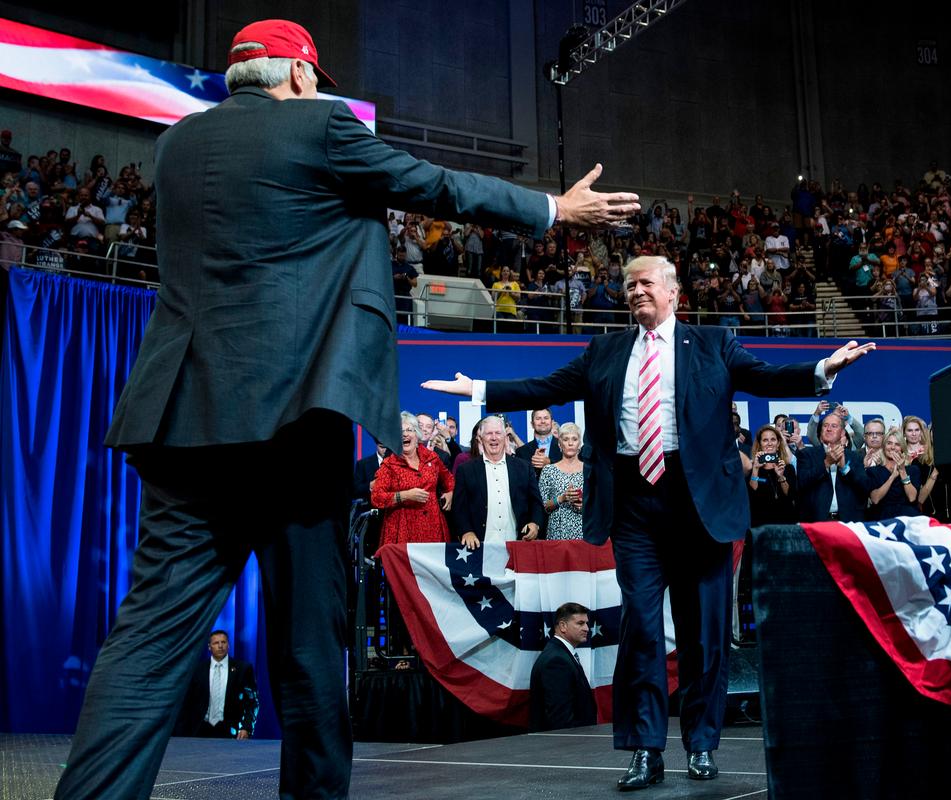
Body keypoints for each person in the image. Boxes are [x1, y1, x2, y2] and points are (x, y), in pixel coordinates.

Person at [56, 18, 639, 800]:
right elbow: (436, 185)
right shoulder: (322, 124)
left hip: (183, 420)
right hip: (294, 424)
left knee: (149, 640)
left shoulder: (176, 147)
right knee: (307, 646)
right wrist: (552, 210)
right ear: (299, 76)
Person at [421, 255, 873, 789]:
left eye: (645, 282)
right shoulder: (606, 350)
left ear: (673, 291)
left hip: (698, 503)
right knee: (640, 629)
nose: (635, 290)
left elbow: (765, 375)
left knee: (704, 634)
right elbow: (544, 388)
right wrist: (477, 390)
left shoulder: (713, 344)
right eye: (628, 284)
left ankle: (702, 743)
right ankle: (646, 749)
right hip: (634, 503)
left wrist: (823, 369)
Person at [452, 415, 544, 548]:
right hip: (479, 546)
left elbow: (536, 502)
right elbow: (459, 507)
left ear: (505, 438)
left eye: (498, 433)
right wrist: (466, 531)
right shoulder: (466, 470)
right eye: (489, 433)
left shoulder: (524, 467)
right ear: (480, 438)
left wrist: (535, 523)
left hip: (518, 544)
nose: (494, 437)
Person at [370, 413, 454, 548]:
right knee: (405, 569)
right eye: (400, 431)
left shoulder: (432, 458)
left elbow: (449, 480)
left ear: (417, 435)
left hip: (433, 528)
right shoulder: (389, 464)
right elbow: (377, 497)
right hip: (402, 530)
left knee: (433, 568)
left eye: (409, 430)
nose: (405, 434)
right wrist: (404, 495)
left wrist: (450, 492)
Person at [175, 631, 258, 740]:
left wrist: (246, 727)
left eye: (223, 642)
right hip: (199, 731)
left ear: (228, 645)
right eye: (216, 643)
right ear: (209, 647)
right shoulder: (196, 670)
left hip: (230, 732)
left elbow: (251, 702)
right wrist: (182, 731)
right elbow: (186, 703)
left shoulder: (243, 669)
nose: (220, 646)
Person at [529, 602, 597, 732]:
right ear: (563, 626)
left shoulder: (560, 654)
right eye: (580, 623)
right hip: (566, 745)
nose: (587, 628)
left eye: (586, 623)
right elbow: (560, 719)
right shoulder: (556, 661)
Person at [794, 412, 869, 523]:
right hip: (817, 521)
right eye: (825, 425)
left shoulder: (855, 456)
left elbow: (864, 487)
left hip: (849, 522)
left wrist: (845, 469)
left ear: (842, 432)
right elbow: (802, 483)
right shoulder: (807, 454)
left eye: (834, 426)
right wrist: (826, 463)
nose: (829, 429)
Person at [740, 425, 797, 526]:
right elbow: (752, 494)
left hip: (785, 523)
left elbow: (789, 495)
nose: (769, 443)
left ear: (778, 443)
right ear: (760, 444)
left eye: (773, 439)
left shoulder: (787, 468)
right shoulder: (751, 467)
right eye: (765, 440)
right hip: (760, 525)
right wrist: (756, 469)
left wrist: (780, 476)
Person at [540, 422, 585, 540]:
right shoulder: (548, 470)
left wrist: (584, 504)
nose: (570, 443)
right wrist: (562, 498)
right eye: (566, 439)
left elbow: (599, 505)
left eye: (574, 439)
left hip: (584, 534)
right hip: (556, 535)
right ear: (560, 444)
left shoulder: (589, 471)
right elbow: (543, 506)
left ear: (579, 444)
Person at [865, 427, 922, 519]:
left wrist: (902, 471)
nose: (892, 447)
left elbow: (912, 497)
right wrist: (892, 477)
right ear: (884, 447)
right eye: (889, 443)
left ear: (902, 448)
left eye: (897, 444)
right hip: (882, 518)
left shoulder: (913, 470)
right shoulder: (873, 471)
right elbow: (875, 499)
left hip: (907, 518)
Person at [515, 408, 562, 472]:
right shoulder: (521, 452)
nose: (542, 421)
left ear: (552, 422)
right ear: (532, 424)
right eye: (538, 418)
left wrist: (549, 463)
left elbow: (570, 469)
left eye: (546, 418)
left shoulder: (564, 446)